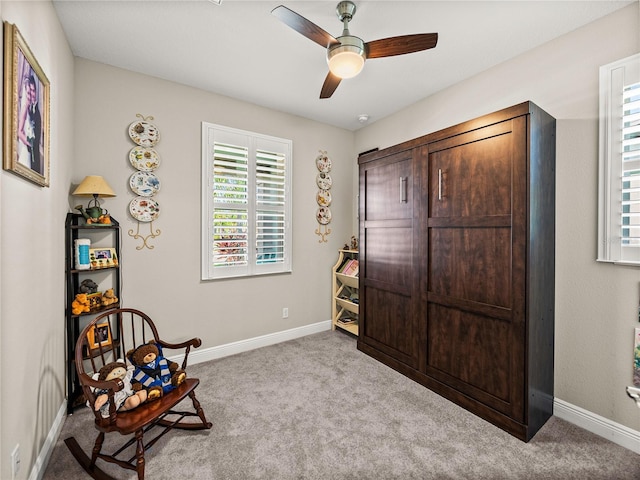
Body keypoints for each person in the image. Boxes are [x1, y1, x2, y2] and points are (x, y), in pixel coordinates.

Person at [17, 74, 42, 174]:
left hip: (32, 151)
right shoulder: (24, 108)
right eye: (29, 91)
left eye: (33, 90)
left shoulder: (34, 110)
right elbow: (19, 132)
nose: (31, 94)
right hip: (26, 149)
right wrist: (29, 143)